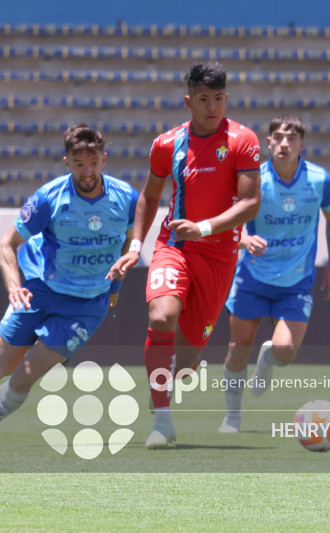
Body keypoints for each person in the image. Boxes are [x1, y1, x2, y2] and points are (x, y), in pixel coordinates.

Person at [107, 61, 261, 448]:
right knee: (162, 317)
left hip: (220, 256)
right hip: (174, 245)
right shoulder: (167, 144)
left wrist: (205, 227)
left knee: (187, 364)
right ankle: (162, 421)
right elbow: (149, 197)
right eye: (205, 99)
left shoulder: (243, 140)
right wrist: (136, 247)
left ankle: (163, 388)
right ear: (189, 101)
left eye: (220, 99)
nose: (213, 107)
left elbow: (251, 202)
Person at [0, 124, 138, 447]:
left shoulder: (126, 199)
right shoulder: (48, 198)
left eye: (93, 162)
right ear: (66, 162)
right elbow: (6, 244)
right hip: (40, 290)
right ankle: (33, 343)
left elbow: (127, 243)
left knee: (26, 375)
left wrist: (115, 289)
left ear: (104, 159)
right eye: (79, 163)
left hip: (86, 306)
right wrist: (14, 286)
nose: (87, 171)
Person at [218, 114, 330, 433]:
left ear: (302, 144)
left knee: (284, 353)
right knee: (238, 346)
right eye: (278, 137)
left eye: (291, 137)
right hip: (253, 278)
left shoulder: (319, 180)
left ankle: (268, 361)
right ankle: (232, 416)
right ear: (268, 141)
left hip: (295, 281)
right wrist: (243, 239)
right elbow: (225, 219)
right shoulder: (253, 179)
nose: (284, 142)